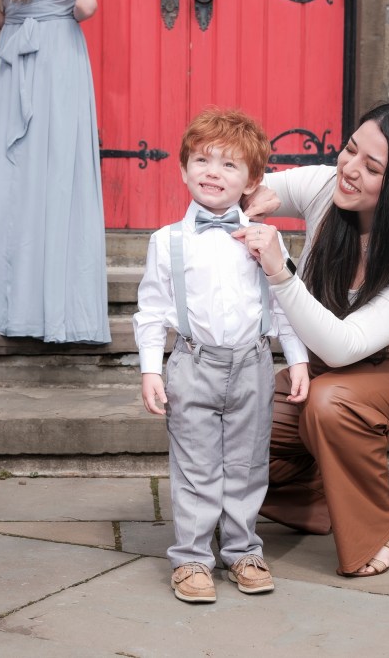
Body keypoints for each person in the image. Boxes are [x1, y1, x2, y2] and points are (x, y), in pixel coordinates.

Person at [234, 101, 389, 578]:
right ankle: (314, 501)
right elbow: (258, 187)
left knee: (331, 403)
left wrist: (280, 272)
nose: (349, 169)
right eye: (350, 149)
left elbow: (343, 347)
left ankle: (379, 532)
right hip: (328, 370)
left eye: (371, 167)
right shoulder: (326, 189)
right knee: (233, 412)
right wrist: (244, 196)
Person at [133, 108, 311, 603]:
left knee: (248, 461)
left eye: (229, 165)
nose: (213, 172)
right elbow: (150, 311)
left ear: (253, 180)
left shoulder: (266, 239)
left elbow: (283, 305)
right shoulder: (166, 241)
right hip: (193, 364)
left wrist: (295, 359)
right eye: (202, 160)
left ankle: (242, 550)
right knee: (195, 464)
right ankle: (191, 559)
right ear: (184, 168)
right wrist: (150, 369)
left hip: (254, 363)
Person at [0, 0, 111, 344]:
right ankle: (59, 310)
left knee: (10, 178)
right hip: (59, 53)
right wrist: (54, 15)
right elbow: (86, 6)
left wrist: (15, 20)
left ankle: (5, 308)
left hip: (15, 47)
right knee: (60, 173)